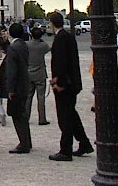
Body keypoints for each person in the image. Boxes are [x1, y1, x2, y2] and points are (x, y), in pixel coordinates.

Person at [48, 11, 93, 161]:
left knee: (65, 118)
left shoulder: (60, 39)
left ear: (52, 23)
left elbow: (61, 63)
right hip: (72, 82)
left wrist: (59, 83)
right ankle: (84, 143)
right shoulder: (68, 36)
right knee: (71, 115)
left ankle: (65, 150)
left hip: (65, 85)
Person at [6, 22, 32, 154]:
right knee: (22, 114)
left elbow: (11, 70)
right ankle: (27, 141)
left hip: (17, 86)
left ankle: (23, 144)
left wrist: (10, 89)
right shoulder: (23, 45)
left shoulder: (13, 48)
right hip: (25, 82)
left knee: (17, 115)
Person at [25, 26, 50, 125]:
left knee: (28, 97)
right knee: (41, 97)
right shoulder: (43, 46)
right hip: (40, 73)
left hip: (29, 72)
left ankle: (26, 117)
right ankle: (42, 118)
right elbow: (48, 48)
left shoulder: (27, 45)